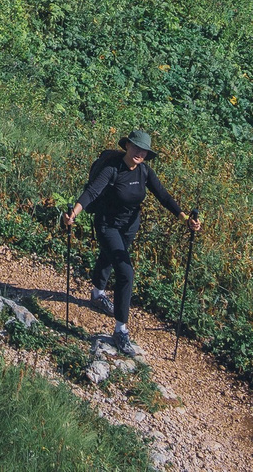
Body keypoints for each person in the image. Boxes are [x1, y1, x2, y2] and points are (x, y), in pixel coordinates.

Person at [61, 127, 200, 354]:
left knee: (110, 255)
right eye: (136, 147)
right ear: (126, 145)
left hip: (129, 227)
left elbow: (164, 196)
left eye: (144, 150)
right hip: (107, 225)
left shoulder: (144, 172)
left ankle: (97, 294)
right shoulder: (111, 169)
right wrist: (73, 214)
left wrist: (185, 219)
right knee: (126, 271)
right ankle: (121, 330)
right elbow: (92, 192)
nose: (139, 153)